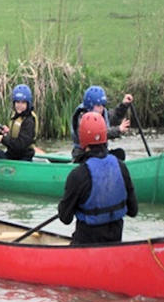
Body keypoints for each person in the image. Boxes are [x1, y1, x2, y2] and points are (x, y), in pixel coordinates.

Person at [59, 111, 138, 244]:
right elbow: (133, 210)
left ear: (82, 138)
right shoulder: (121, 167)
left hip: (85, 251)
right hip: (115, 247)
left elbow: (65, 218)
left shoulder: (78, 175)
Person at [70, 86, 132, 161]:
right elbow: (97, 134)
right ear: (90, 106)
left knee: (120, 154)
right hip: (83, 155)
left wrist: (124, 105)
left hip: (99, 152)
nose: (102, 108)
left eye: (103, 105)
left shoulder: (102, 112)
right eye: (99, 105)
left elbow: (113, 117)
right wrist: (118, 130)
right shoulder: (82, 118)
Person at [0, 84, 37, 161]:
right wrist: (7, 132)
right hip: (14, 154)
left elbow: (20, 145)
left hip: (24, 156)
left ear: (28, 104)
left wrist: (3, 139)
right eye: (17, 102)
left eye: (23, 102)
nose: (19, 105)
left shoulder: (29, 121)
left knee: (0, 155)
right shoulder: (16, 116)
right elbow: (16, 134)